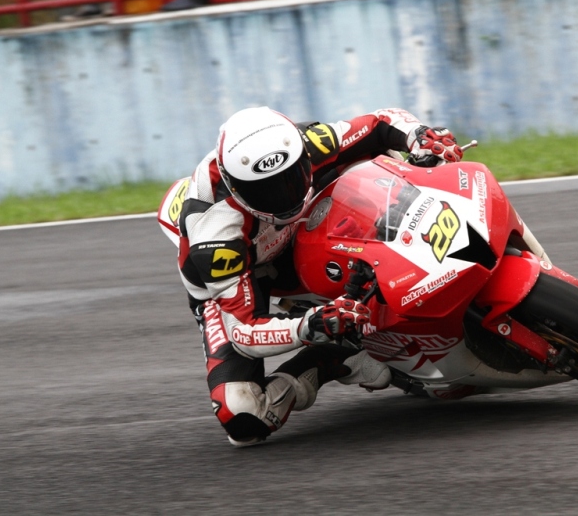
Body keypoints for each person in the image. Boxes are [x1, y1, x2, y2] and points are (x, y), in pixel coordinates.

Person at [169, 106, 463, 447]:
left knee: (379, 156)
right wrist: (309, 326)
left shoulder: (307, 142)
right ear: (235, 187)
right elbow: (244, 333)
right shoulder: (216, 235)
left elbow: (381, 122)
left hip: (299, 229)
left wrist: (420, 136)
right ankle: (333, 356)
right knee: (244, 415)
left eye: (291, 178)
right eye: (265, 191)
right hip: (246, 275)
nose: (284, 196)